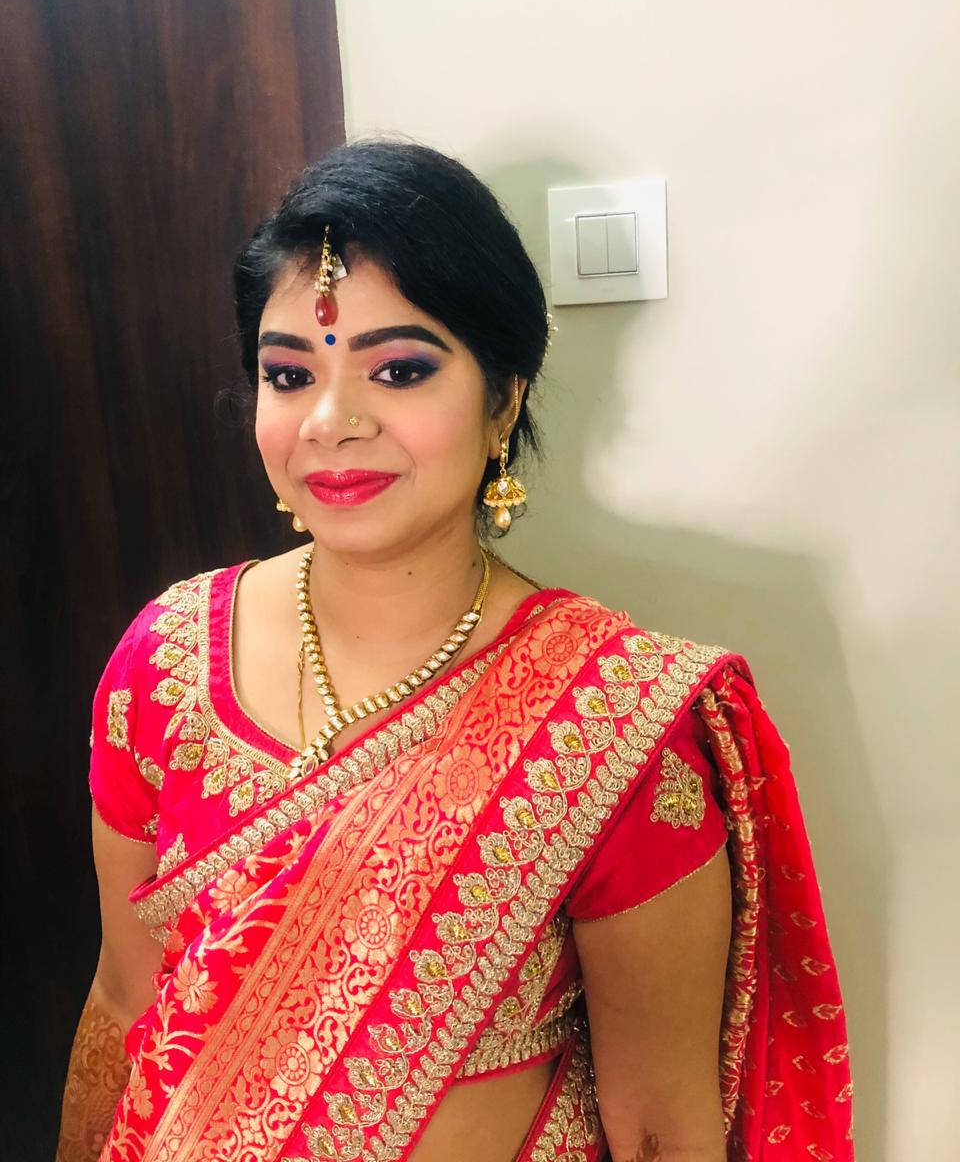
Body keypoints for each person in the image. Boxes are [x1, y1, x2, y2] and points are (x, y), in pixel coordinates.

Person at [57, 139, 854, 1162]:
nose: (331, 422)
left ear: (504, 399)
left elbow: (659, 1122)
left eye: (399, 369)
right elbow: (126, 999)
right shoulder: (164, 658)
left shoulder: (613, 721)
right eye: (289, 374)